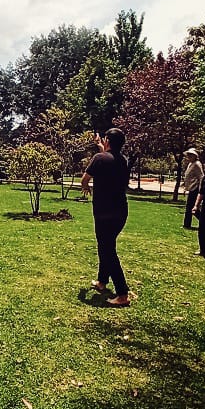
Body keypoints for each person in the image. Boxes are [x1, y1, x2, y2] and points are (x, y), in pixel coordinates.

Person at [81, 129, 131, 307]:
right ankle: (102, 281)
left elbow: (85, 179)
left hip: (104, 212)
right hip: (120, 211)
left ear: (108, 140)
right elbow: (108, 158)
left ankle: (123, 294)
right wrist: (101, 146)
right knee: (106, 245)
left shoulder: (99, 158)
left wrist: (86, 187)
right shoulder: (122, 160)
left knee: (107, 249)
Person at [182, 148, 204, 229]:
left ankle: (187, 225)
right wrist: (185, 186)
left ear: (195, 156)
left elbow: (201, 176)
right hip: (191, 188)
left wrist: (201, 189)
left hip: (195, 188)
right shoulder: (190, 164)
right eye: (188, 155)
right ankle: (203, 222)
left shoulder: (197, 164)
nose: (189, 157)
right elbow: (188, 177)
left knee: (191, 207)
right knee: (192, 208)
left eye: (191, 155)